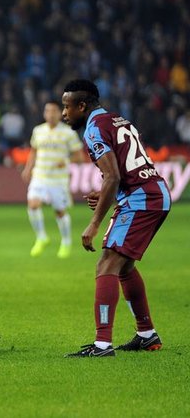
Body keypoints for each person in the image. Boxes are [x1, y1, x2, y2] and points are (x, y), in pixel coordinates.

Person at [61, 80, 171, 358]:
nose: (65, 113)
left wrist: (95, 222)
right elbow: (124, 169)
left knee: (107, 262)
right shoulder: (116, 120)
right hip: (152, 192)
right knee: (123, 266)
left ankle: (102, 345)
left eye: (67, 106)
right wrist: (108, 195)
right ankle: (147, 335)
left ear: (82, 106)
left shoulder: (94, 129)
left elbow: (113, 175)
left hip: (141, 198)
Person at [21, 101, 85, 259]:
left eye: (54, 111)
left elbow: (80, 157)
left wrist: (66, 161)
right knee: (33, 204)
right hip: (40, 176)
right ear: (44, 113)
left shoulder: (68, 132)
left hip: (58, 180)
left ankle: (66, 241)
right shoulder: (38, 131)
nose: (50, 114)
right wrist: (28, 168)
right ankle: (42, 237)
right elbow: (34, 151)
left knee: (59, 212)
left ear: (61, 113)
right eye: (47, 110)